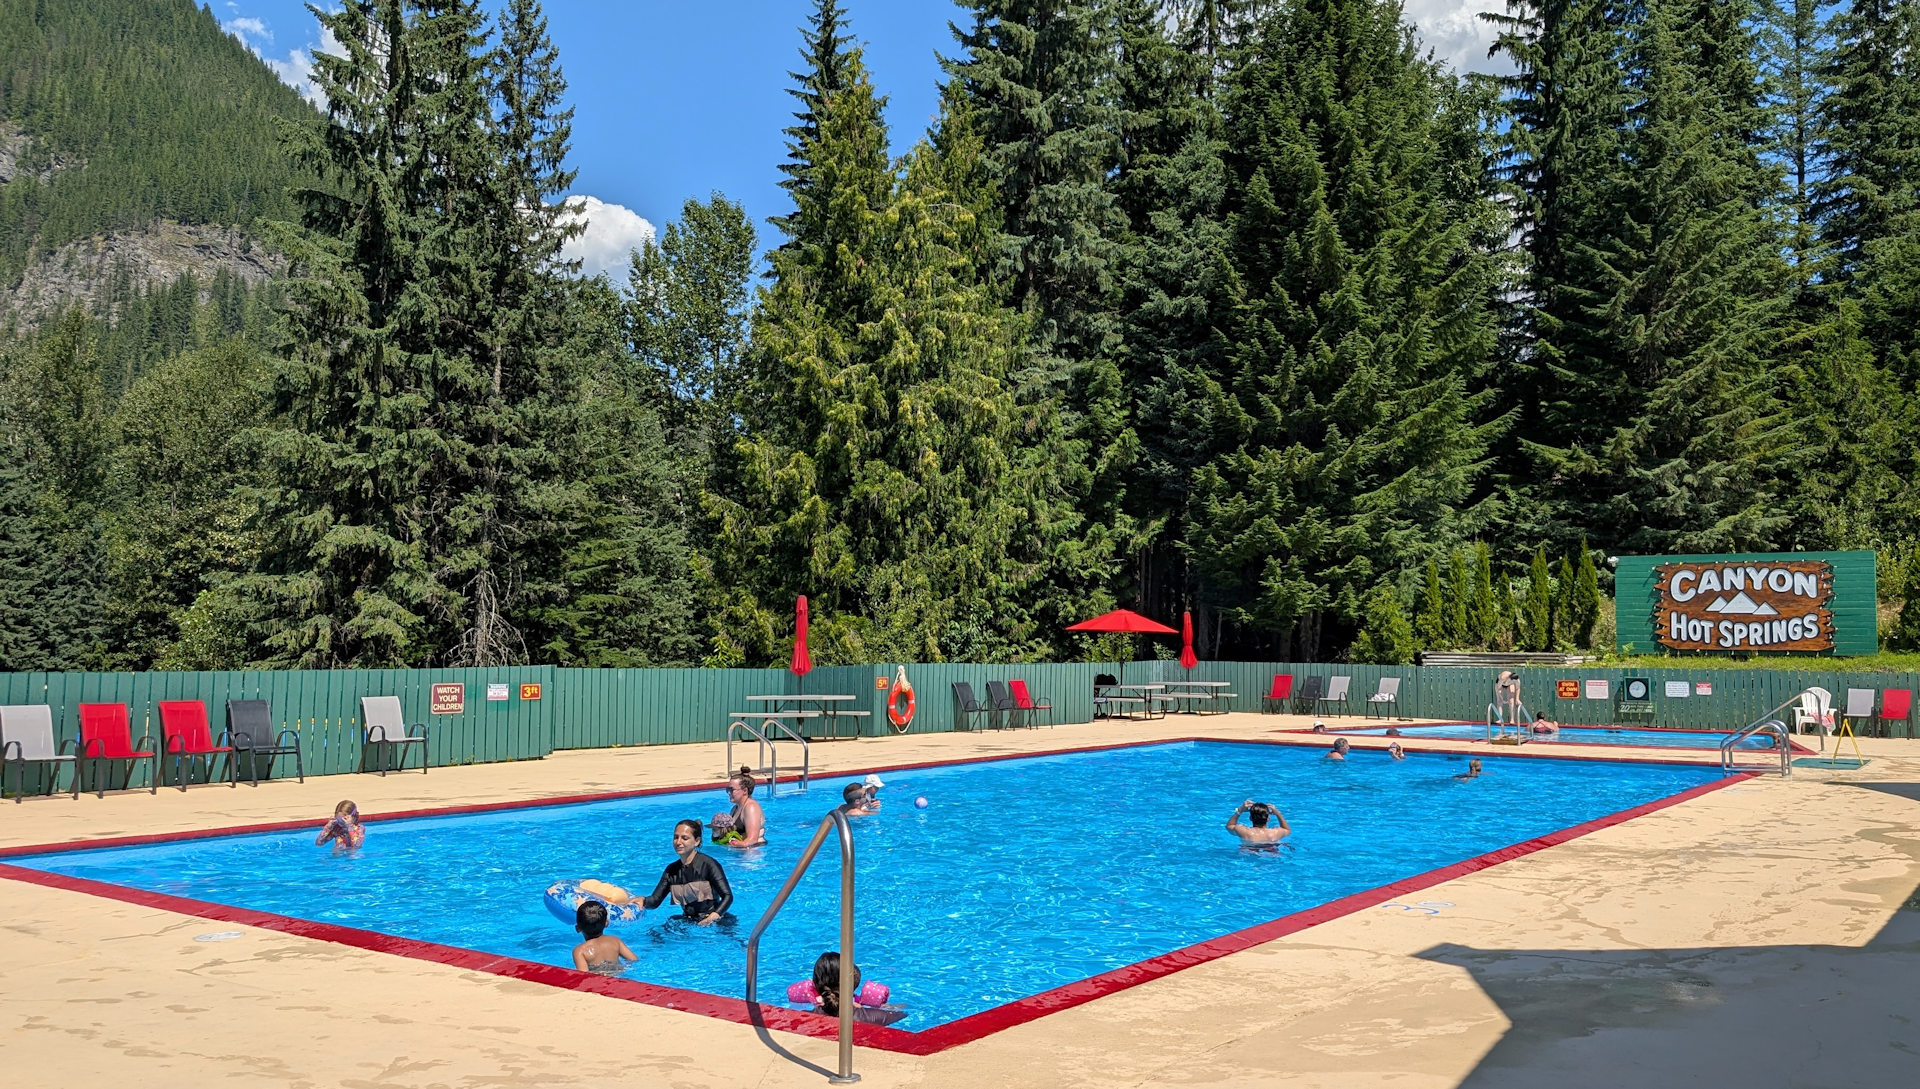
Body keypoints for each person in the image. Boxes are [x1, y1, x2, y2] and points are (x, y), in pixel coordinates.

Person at [639, 819, 734, 926]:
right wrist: (643, 900)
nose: (678, 842)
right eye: (676, 837)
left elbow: (727, 896)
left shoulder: (709, 864)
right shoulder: (671, 870)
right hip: (689, 921)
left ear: (697, 841)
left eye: (684, 838)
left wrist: (713, 916)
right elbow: (655, 901)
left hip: (716, 922)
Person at [805, 951, 906, 1027]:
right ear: (853, 982)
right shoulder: (879, 1017)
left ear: (815, 984)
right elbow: (903, 1015)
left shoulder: (807, 1017)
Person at [571, 900, 638, 975]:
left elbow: (583, 976)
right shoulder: (615, 941)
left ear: (577, 928)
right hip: (617, 978)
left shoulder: (580, 951)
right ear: (607, 923)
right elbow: (634, 960)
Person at [723, 766, 766, 848]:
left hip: (754, 852)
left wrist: (734, 844)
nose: (729, 793)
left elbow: (752, 839)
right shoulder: (735, 809)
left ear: (745, 791)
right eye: (727, 789)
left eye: (732, 790)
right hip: (742, 851)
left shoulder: (751, 807)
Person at [1225, 799, 1290, 845]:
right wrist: (1278, 814)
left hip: (1249, 850)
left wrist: (1240, 810)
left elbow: (1229, 826)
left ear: (1250, 818)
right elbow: (1287, 830)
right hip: (1271, 850)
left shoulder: (1243, 831)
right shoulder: (1275, 832)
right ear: (1268, 819)